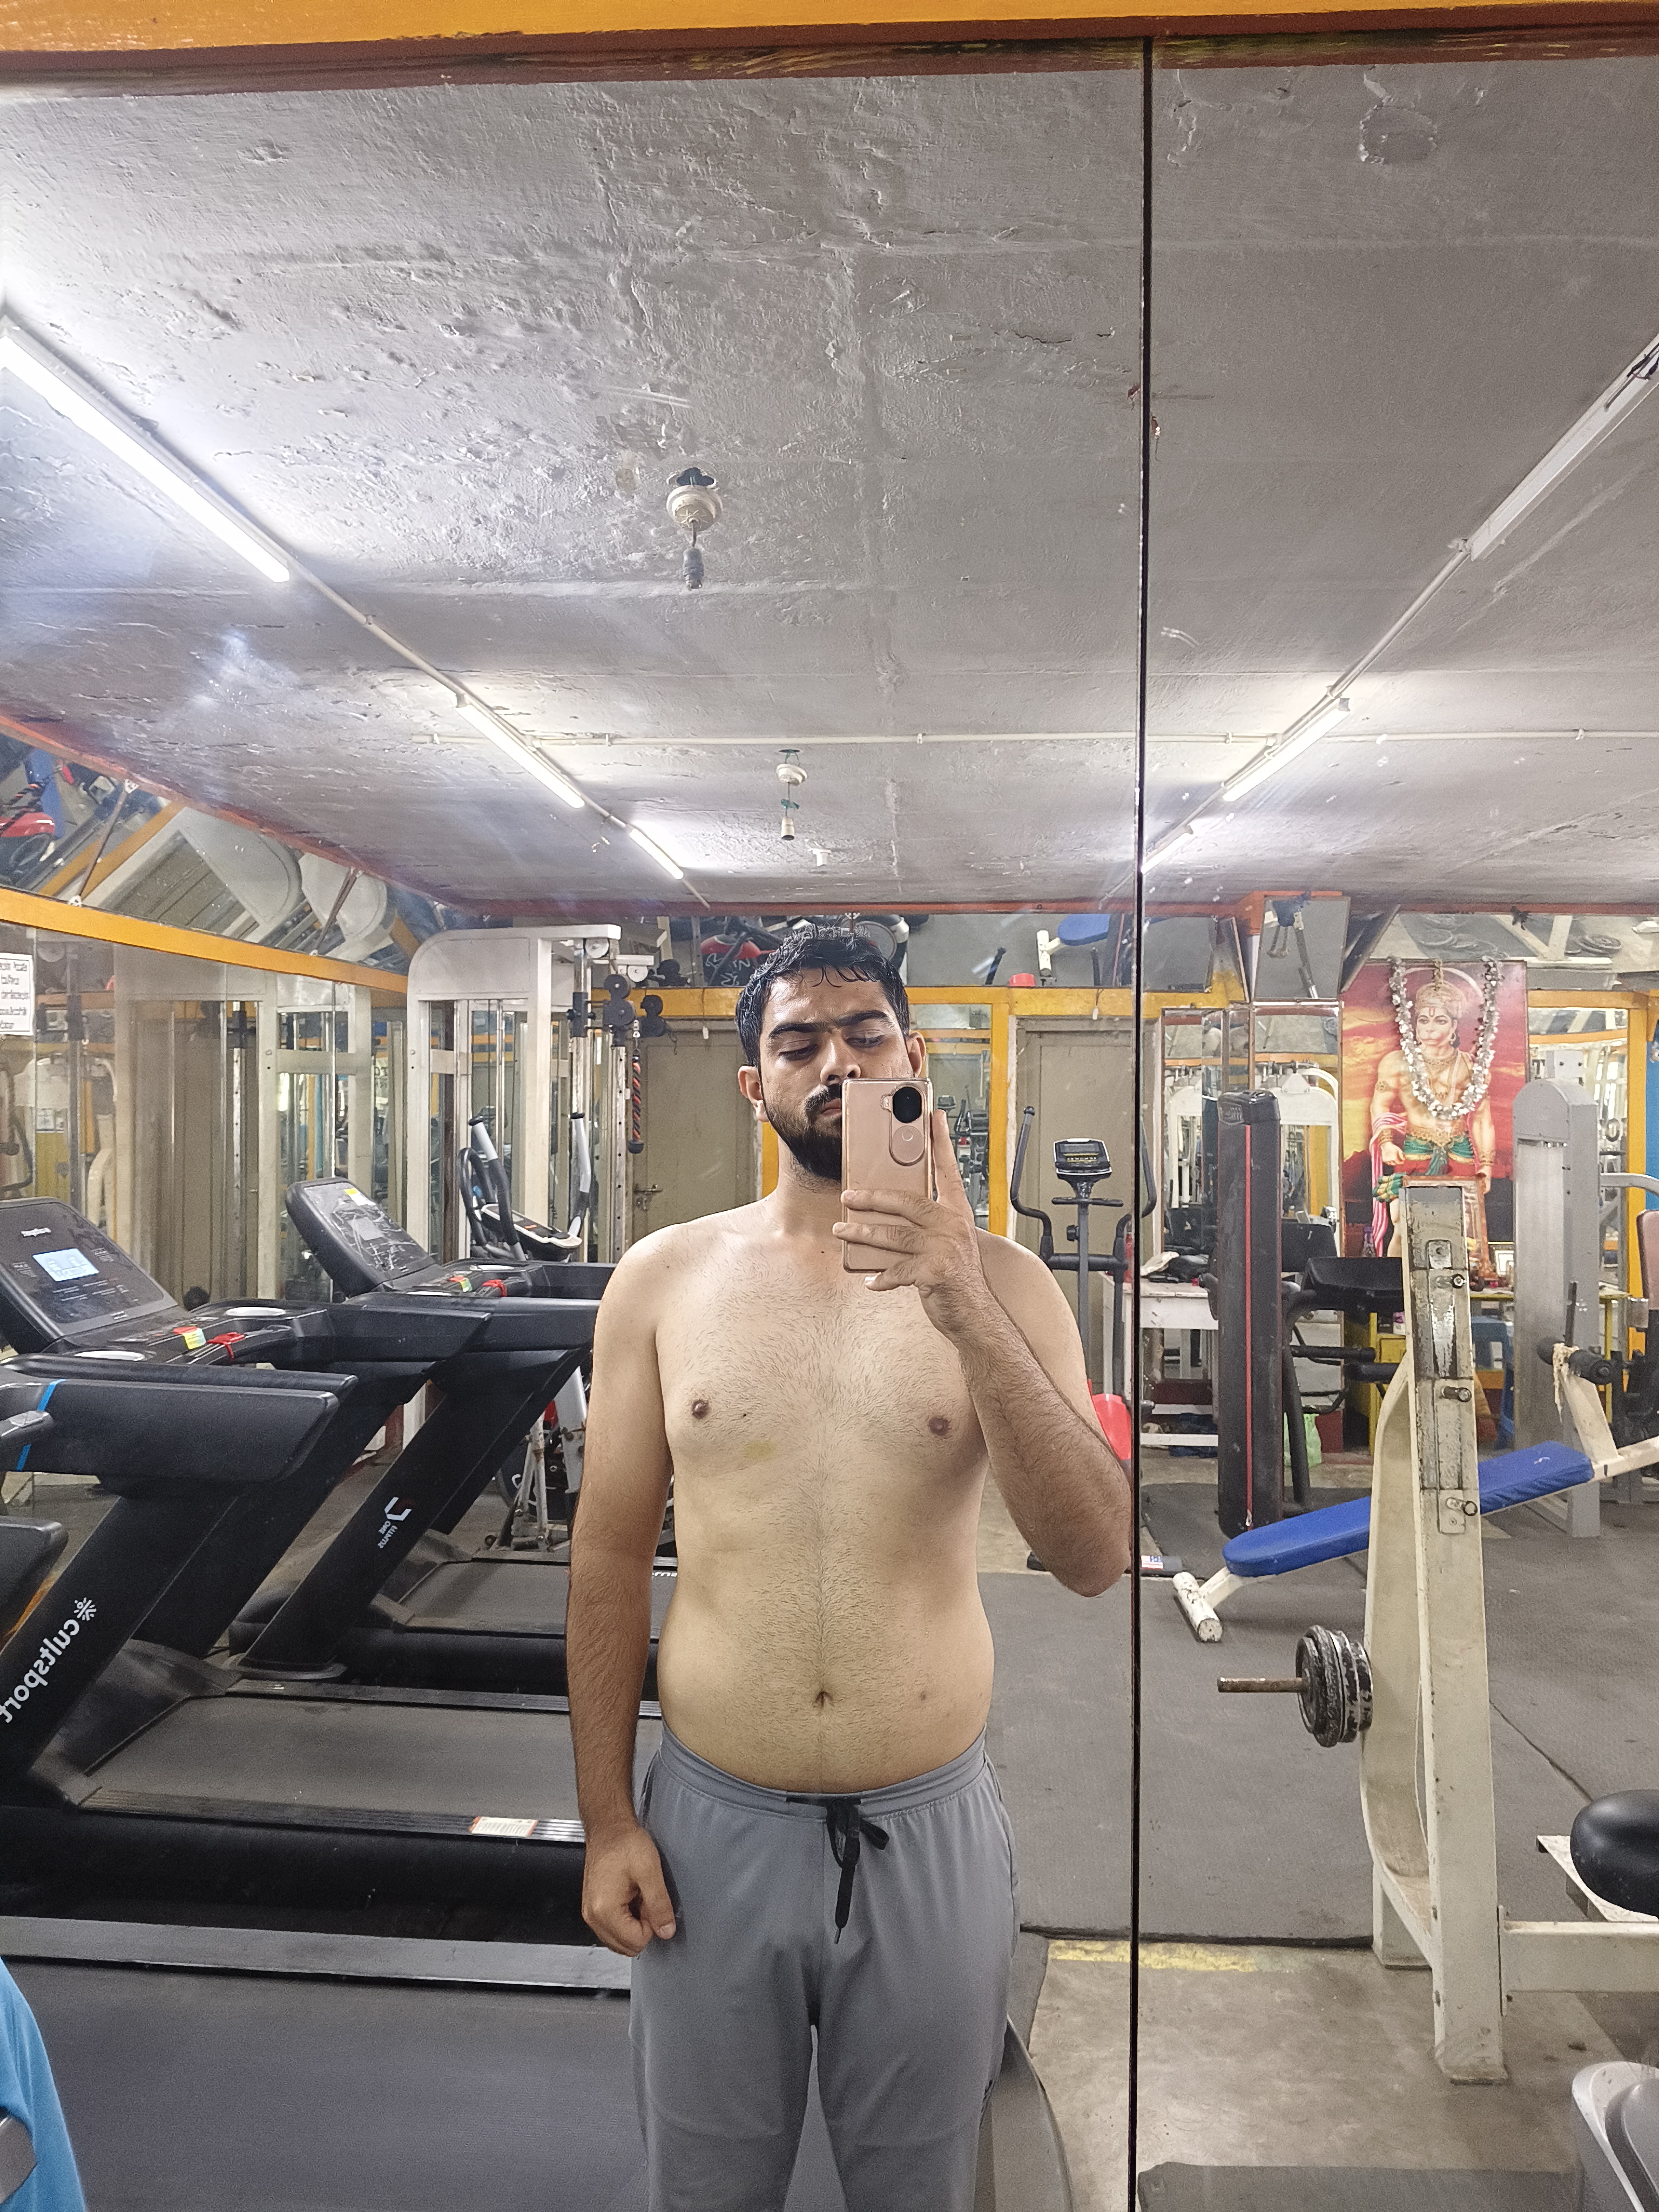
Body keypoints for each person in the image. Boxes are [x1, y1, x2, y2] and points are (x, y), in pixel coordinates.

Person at [568, 929, 1131, 2212]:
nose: (836, 1062)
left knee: (919, 2190)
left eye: (865, 1033)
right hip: (710, 1836)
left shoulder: (1010, 1286)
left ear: (913, 1058)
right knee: (703, 2191)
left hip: (927, 1833)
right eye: (798, 1042)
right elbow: (605, 1559)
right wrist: (606, 1820)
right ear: (753, 1083)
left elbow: (1094, 1553)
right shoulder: (663, 1280)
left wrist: (959, 1298)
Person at [1368, 972, 1496, 1266]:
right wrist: (1386, 1143)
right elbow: (1380, 1105)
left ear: (1454, 1026)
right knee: (1403, 1222)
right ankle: (1396, 1290)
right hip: (1416, 1149)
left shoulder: (1472, 1068)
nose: (1429, 1028)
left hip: (1459, 1150)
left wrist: (1487, 1166)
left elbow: (1482, 1119)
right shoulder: (1397, 1063)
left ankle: (1458, 1286)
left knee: (1462, 1227)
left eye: (1439, 1021)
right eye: (1423, 1021)